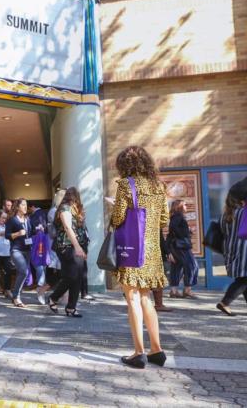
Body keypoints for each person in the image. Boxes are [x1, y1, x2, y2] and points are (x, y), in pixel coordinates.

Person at [110, 146, 169, 369]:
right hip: (152, 251)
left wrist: (114, 207)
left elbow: (118, 218)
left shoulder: (127, 185)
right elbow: (164, 220)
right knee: (146, 298)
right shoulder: (158, 185)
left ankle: (138, 352)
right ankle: (157, 349)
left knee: (132, 298)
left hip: (132, 248)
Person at [48, 188, 89, 318]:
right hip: (66, 246)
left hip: (77, 246)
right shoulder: (64, 208)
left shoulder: (75, 210)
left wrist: (82, 247)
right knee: (71, 276)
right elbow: (67, 227)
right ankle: (53, 297)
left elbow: (81, 229)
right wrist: (77, 247)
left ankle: (71, 307)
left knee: (77, 276)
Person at [216, 182, 247, 316]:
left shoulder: (224, 215)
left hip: (231, 250)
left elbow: (223, 232)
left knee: (243, 278)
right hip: (244, 250)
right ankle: (225, 302)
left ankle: (226, 302)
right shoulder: (243, 212)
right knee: (244, 279)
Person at [167, 200, 198, 299]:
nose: (186, 206)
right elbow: (173, 229)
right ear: (179, 207)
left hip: (176, 246)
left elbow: (172, 232)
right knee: (192, 265)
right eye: (184, 205)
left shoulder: (175, 217)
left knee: (177, 267)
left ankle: (174, 291)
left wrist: (187, 231)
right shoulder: (178, 217)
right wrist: (184, 234)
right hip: (181, 247)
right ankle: (187, 290)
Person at [5, 198, 33, 308]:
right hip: (16, 250)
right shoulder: (12, 220)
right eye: (23, 205)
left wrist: (38, 229)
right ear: (17, 207)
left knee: (22, 273)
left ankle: (16, 295)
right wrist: (17, 233)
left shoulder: (27, 219)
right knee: (24, 271)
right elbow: (7, 235)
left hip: (27, 249)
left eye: (26, 205)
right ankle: (16, 297)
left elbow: (30, 232)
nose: (26, 207)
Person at [29, 203, 50, 304]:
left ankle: (40, 288)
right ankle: (41, 288)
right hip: (44, 242)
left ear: (32, 207)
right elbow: (47, 228)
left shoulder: (33, 216)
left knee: (39, 266)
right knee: (43, 266)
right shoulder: (45, 213)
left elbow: (31, 230)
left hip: (35, 242)